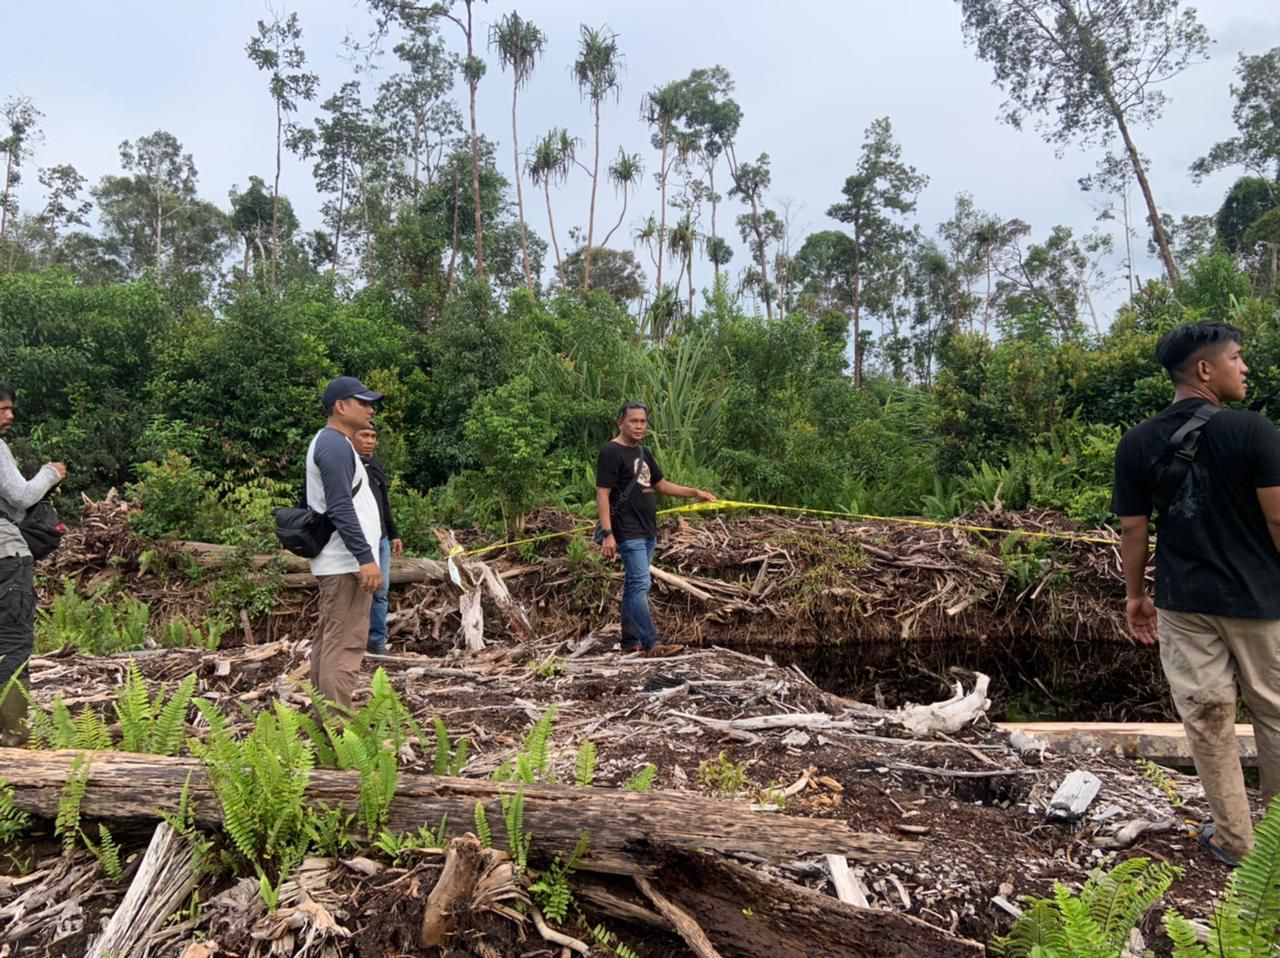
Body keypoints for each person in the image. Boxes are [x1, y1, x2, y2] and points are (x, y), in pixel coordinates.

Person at [1112, 320, 1280, 868]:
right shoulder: (1253, 431)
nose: (1245, 367)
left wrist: (1135, 595)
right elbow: (1278, 519)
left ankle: (1236, 842)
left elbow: (1134, 530)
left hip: (1184, 604)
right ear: (1206, 370)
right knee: (1275, 715)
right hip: (1261, 602)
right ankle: (1276, 845)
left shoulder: (1137, 442)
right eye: (1238, 357)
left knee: (1208, 719)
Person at [596, 401, 715, 656]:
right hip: (627, 532)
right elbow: (603, 495)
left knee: (633, 586)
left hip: (648, 531)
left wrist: (694, 492)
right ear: (621, 423)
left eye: (643, 421)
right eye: (633, 421)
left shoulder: (643, 453)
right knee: (640, 584)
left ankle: (629, 642)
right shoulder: (611, 452)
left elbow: (660, 485)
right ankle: (653, 643)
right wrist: (607, 534)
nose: (639, 426)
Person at [307, 376, 384, 713]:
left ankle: (328, 728)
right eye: (362, 402)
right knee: (344, 646)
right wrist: (365, 558)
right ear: (341, 406)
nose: (370, 409)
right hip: (345, 564)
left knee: (331, 643)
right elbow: (339, 506)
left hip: (341, 562)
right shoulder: (335, 445)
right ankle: (338, 736)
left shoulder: (332, 443)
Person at [0, 382, 66, 745]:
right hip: (5, 559)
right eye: (3, 408)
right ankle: (15, 742)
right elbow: (20, 496)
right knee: (11, 643)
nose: (10, 415)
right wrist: (51, 472)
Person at [353, 426, 402, 655]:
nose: (370, 441)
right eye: (364, 435)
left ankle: (376, 642)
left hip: (380, 539)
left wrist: (394, 534)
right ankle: (353, 642)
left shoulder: (375, 467)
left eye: (373, 436)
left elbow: (384, 504)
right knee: (356, 593)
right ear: (352, 437)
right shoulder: (347, 466)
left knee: (380, 592)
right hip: (358, 541)